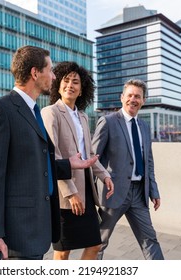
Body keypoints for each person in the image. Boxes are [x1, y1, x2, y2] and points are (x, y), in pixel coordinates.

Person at [0, 45, 98, 260]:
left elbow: (34, 164)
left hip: (35, 230)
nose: (53, 76)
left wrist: (68, 165)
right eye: (50, 70)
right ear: (35, 73)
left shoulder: (33, 112)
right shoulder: (0, 109)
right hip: (15, 234)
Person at [41, 62, 114, 260]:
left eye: (75, 82)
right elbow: (52, 157)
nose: (70, 85)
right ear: (58, 85)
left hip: (87, 190)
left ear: (82, 90)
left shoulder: (82, 117)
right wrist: (71, 192)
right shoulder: (50, 113)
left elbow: (89, 154)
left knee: (95, 244)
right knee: (63, 250)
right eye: (66, 81)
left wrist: (105, 175)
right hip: (66, 193)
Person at [91, 79, 164, 260]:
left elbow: (148, 162)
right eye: (130, 95)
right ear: (122, 98)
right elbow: (93, 159)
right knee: (99, 242)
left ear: (143, 101)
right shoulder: (107, 122)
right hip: (112, 192)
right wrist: (88, 194)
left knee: (150, 239)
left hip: (139, 194)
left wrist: (153, 190)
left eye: (137, 96)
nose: (133, 99)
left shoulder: (145, 127)